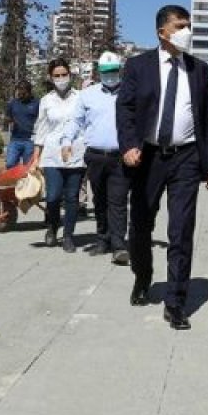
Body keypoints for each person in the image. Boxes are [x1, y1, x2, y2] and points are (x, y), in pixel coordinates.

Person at [117, 5, 208, 330]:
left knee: (181, 230)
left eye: (189, 25)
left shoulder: (199, 70)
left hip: (186, 158)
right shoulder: (137, 66)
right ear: (163, 31)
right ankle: (143, 276)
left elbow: (207, 120)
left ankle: (176, 301)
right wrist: (129, 145)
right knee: (141, 225)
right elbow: (126, 110)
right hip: (147, 156)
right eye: (180, 26)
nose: (187, 31)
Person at [59, 51, 129, 266]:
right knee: (100, 200)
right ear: (99, 72)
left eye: (113, 71)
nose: (110, 75)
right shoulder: (87, 95)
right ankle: (103, 239)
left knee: (117, 201)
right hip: (96, 156)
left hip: (121, 157)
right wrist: (66, 140)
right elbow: (75, 120)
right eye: (105, 72)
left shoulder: (129, 92)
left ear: (120, 71)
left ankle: (119, 245)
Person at [32, 58, 85, 252]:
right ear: (51, 77)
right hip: (52, 154)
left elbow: (86, 124)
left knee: (72, 197)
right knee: (53, 196)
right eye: (57, 76)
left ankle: (68, 236)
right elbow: (41, 129)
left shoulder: (81, 98)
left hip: (75, 153)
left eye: (64, 75)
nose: (61, 78)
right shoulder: (46, 101)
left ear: (70, 75)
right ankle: (52, 226)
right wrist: (36, 156)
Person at [4, 80, 39, 170]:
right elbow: (7, 117)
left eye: (24, 93)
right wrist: (9, 120)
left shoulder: (36, 103)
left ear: (29, 91)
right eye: (20, 93)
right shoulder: (13, 103)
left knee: (28, 167)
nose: (21, 96)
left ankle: (25, 183)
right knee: (10, 164)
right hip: (15, 139)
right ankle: (13, 182)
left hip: (30, 140)